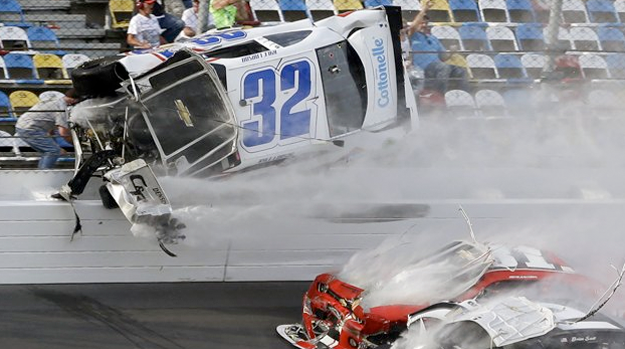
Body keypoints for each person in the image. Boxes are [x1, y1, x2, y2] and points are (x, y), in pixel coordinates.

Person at [407, 1, 468, 94]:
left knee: (461, 71)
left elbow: (443, 57)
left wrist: (451, 52)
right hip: (424, 69)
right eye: (421, 23)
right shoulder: (413, 35)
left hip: (438, 67)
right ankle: (439, 95)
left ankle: (465, 95)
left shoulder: (433, 38)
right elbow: (412, 26)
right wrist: (425, 9)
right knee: (443, 68)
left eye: (426, 23)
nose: (424, 25)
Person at [15, 89, 81, 169]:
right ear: (73, 100)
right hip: (29, 128)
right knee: (53, 151)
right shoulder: (61, 108)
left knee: (49, 151)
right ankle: (44, 174)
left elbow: (51, 129)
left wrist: (56, 146)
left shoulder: (55, 101)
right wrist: (76, 145)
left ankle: (42, 172)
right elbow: (63, 133)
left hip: (24, 125)